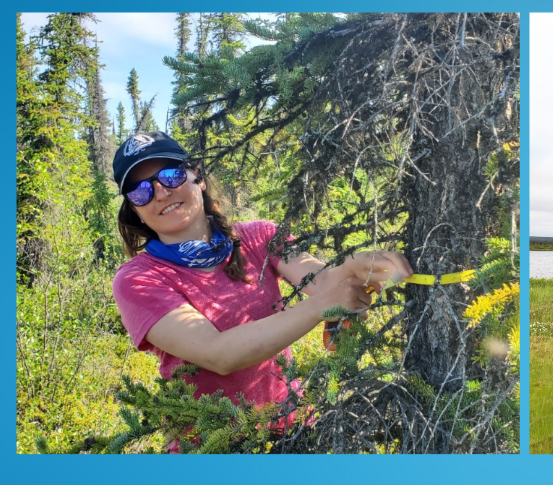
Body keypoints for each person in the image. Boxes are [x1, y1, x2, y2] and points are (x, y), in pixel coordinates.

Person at [110, 131, 413, 429]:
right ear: (134, 210)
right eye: (140, 191)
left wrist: (355, 265)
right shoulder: (138, 279)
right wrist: (324, 304)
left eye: (171, 175)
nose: (161, 192)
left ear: (197, 177)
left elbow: (322, 281)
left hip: (294, 431)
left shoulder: (259, 236)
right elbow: (217, 353)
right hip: (212, 451)